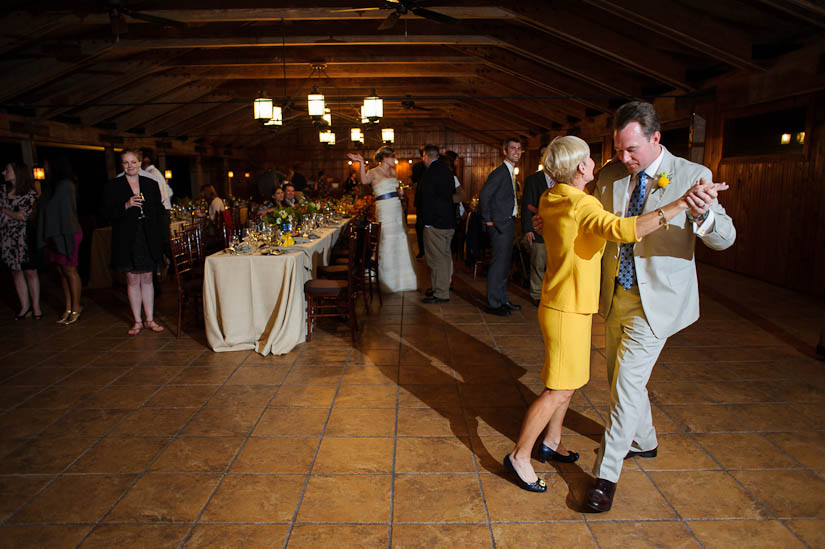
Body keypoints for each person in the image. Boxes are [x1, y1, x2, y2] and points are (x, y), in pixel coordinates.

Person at [505, 135, 729, 492]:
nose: (602, 162)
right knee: (558, 390)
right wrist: (679, 204)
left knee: (572, 383)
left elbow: (554, 226)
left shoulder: (553, 196)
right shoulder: (583, 205)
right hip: (568, 307)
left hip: (566, 303)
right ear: (581, 167)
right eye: (592, 158)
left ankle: (552, 440)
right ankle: (519, 455)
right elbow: (629, 230)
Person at [104, 149, 167, 336]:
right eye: (126, 162)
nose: (130, 165)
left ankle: (150, 320)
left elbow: (158, 211)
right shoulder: (113, 186)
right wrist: (126, 205)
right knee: (132, 279)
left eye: (133, 162)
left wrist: (161, 237)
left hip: (148, 235)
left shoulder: (151, 183)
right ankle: (137, 321)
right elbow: (106, 214)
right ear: (121, 165)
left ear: (140, 163)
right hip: (126, 236)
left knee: (148, 277)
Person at [347, 147, 417, 293]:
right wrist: (360, 162)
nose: (394, 160)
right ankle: (387, 278)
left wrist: (401, 193)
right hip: (384, 208)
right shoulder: (373, 172)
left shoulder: (393, 172)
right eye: (392, 157)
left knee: (400, 237)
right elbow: (364, 181)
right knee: (386, 238)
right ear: (384, 158)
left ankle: (403, 278)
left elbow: (396, 190)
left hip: (396, 207)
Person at [478, 137, 523, 316]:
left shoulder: (510, 172)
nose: (516, 152)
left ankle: (502, 299)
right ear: (504, 151)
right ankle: (493, 304)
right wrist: (488, 221)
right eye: (513, 148)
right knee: (498, 265)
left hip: (507, 222)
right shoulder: (500, 173)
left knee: (504, 265)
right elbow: (484, 196)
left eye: (519, 149)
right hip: (499, 225)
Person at [38, 155, 83, 324]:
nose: (44, 168)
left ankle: (77, 306)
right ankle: (69, 306)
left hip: (68, 232)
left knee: (70, 270)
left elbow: (64, 212)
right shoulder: (52, 186)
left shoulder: (66, 185)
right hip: (55, 233)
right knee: (61, 271)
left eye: (46, 165)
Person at [417, 144, 458, 303]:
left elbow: (427, 200)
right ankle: (441, 287)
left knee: (436, 259)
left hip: (436, 223)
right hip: (449, 221)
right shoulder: (447, 171)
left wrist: (427, 223)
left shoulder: (430, 173)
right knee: (446, 256)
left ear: (426, 156)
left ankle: (441, 293)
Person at [1, 161, 42, 320]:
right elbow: (16, 215)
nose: (4, 173)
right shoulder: (2, 191)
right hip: (7, 239)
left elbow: (23, 216)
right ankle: (24, 307)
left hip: (25, 237)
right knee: (16, 272)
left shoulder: (29, 193)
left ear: (17, 172)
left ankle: (36, 307)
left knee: (30, 271)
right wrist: (14, 213)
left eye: (7, 170)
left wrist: (5, 211)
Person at [521, 146, 555, 306]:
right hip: (538, 230)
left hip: (557, 232)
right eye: (543, 155)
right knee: (538, 264)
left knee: (554, 265)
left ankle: (551, 294)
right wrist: (528, 229)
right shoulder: (533, 180)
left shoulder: (562, 178)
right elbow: (526, 205)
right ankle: (537, 295)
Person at [411, 146, 426, 259]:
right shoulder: (433, 166)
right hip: (429, 200)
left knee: (420, 226)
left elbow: (414, 183)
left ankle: (422, 249)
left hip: (421, 199)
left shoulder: (416, 166)